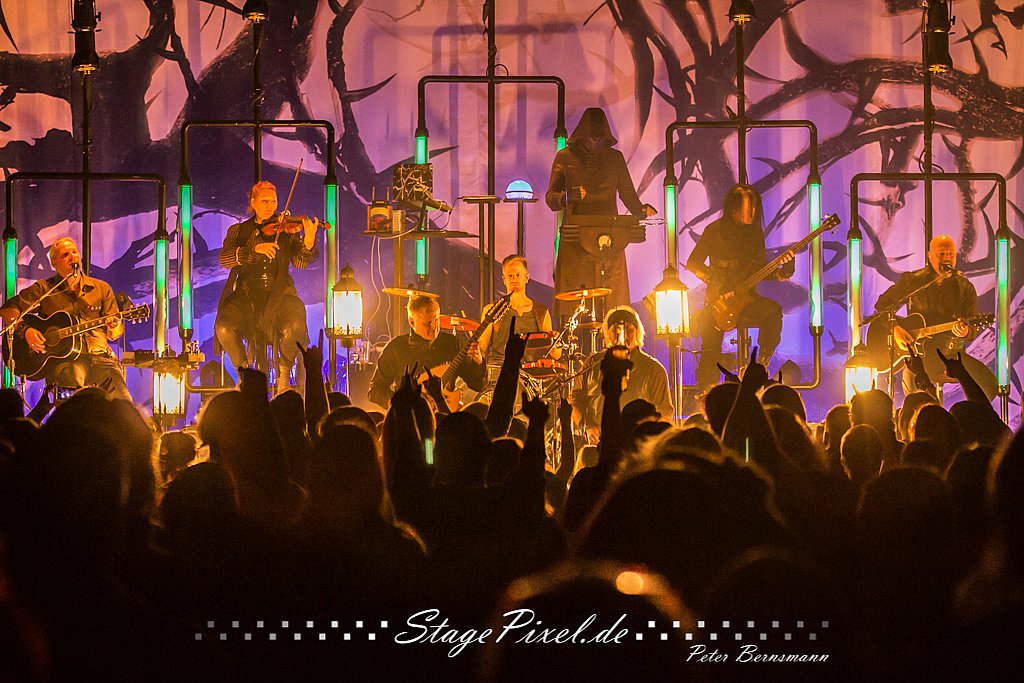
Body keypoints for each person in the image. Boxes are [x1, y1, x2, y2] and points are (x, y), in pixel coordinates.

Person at [545, 107, 656, 317]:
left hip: (610, 236)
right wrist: (568, 196)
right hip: (576, 237)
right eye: (591, 137)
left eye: (598, 137)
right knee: (576, 304)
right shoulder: (565, 157)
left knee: (612, 301)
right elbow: (551, 197)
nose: (595, 141)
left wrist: (640, 210)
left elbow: (627, 193)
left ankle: (612, 333)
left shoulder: (615, 158)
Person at [686, 183, 794, 388]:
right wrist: (718, 282)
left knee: (773, 312)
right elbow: (693, 263)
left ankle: (760, 366)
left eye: (753, 206)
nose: (751, 211)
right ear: (733, 208)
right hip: (718, 301)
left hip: (747, 299)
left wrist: (785, 270)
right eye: (746, 206)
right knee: (709, 348)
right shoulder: (714, 231)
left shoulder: (755, 234)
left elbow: (761, 270)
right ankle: (707, 393)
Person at [215, 181, 319, 392]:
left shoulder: (287, 229)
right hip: (246, 296)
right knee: (224, 325)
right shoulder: (239, 231)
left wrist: (308, 241)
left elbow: (300, 263)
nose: (269, 206)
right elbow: (224, 259)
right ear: (253, 202)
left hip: (280, 293)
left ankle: (283, 376)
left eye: (273, 201)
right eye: (264, 201)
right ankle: (244, 375)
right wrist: (253, 250)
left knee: (296, 323)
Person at [0, 237, 131, 401]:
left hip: (100, 358)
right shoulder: (45, 289)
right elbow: (8, 310)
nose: (72, 257)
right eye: (65, 255)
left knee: (124, 403)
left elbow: (114, 333)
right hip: (66, 361)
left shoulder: (101, 288)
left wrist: (114, 326)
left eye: (74, 252)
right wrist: (26, 331)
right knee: (71, 388)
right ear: (54, 263)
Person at [871, 233, 995, 397]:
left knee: (989, 385)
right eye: (942, 254)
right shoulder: (913, 280)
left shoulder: (965, 287)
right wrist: (895, 329)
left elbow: (971, 329)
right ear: (930, 256)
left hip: (950, 355)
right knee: (919, 400)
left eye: (951, 254)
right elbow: (883, 305)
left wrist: (966, 331)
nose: (947, 258)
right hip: (919, 357)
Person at [570, 306, 672, 444]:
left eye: (628, 328)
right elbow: (575, 399)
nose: (623, 334)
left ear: (637, 331)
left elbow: (664, 411)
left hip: (638, 445)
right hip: (599, 442)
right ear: (608, 333)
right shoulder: (592, 364)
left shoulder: (654, 369)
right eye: (616, 329)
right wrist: (587, 426)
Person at [368, 294, 485, 410]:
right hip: (410, 417)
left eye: (436, 320)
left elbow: (478, 385)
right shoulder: (396, 347)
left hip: (444, 415)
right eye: (427, 323)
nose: (434, 327)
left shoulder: (452, 344)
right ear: (412, 322)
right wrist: (400, 404)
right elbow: (375, 390)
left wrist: (479, 362)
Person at [478, 255, 560, 383]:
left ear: (527, 277)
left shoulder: (540, 312)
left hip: (526, 376)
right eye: (510, 275)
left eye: (518, 275)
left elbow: (556, 355)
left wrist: (555, 340)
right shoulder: (492, 310)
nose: (514, 279)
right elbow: (481, 348)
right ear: (504, 279)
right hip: (497, 374)